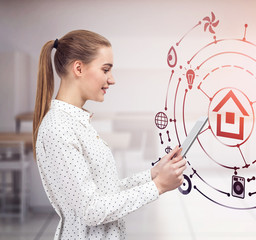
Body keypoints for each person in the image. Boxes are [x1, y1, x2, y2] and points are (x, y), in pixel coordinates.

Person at [32, 30, 186, 240]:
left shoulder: (77, 122)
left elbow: (106, 193)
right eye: (105, 70)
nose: (111, 80)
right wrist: (157, 187)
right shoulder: (58, 127)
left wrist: (153, 175)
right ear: (78, 68)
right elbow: (90, 210)